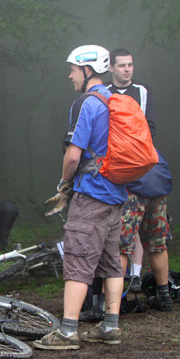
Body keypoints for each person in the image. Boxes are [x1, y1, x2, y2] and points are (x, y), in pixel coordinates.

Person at [34, 45, 128, 350]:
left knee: (77, 257)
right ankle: (110, 326)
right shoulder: (117, 101)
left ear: (87, 70)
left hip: (91, 194)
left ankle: (68, 331)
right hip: (116, 194)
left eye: (73, 69)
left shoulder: (87, 104)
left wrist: (64, 183)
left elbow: (74, 155)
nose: (70, 75)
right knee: (111, 260)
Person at [107, 48, 173, 311]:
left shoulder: (143, 91)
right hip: (128, 174)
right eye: (122, 65)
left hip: (147, 173)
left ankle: (163, 295)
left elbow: (151, 127)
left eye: (130, 65)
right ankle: (119, 299)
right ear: (111, 67)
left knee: (154, 240)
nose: (127, 69)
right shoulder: (104, 94)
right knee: (124, 242)